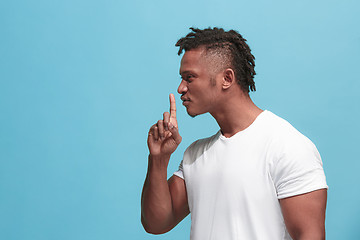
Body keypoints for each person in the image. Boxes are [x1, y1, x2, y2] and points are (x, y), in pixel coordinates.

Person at [141, 27, 328, 240]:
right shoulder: (195, 154)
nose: (181, 88)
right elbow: (156, 223)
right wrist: (158, 159)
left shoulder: (287, 146)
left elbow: (309, 235)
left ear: (227, 78)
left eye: (189, 77)